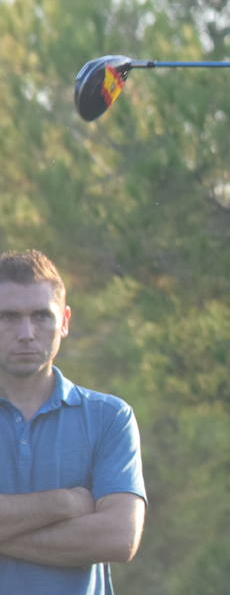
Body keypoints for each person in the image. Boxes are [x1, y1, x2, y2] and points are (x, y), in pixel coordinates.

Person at [0, 250, 147, 595]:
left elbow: (118, 537)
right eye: (8, 317)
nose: (26, 333)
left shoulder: (110, 418)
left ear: (64, 321)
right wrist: (65, 503)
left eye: (41, 316)